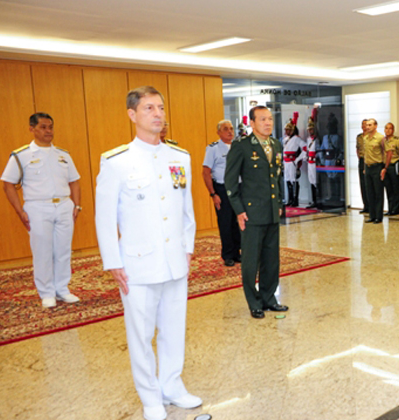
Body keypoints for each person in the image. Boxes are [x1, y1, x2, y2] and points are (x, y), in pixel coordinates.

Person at [95, 86, 201, 420]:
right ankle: (150, 397)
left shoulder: (178, 157)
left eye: (160, 108)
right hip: (137, 264)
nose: (157, 114)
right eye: (148, 108)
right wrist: (113, 261)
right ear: (132, 115)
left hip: (174, 261)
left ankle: (172, 384)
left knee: (173, 328)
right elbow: (104, 216)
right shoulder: (116, 161)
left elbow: (186, 210)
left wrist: (188, 248)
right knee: (140, 334)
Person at [1, 113, 82, 308]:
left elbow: (75, 181)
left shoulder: (63, 155)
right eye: (44, 127)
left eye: (51, 127)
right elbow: (8, 184)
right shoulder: (21, 155)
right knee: (42, 251)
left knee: (63, 250)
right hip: (38, 207)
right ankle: (46, 292)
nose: (48, 131)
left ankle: (62, 289)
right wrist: (20, 211)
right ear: (32, 129)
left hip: (63, 205)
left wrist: (77, 205)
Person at [224, 105, 288, 319]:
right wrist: (239, 211)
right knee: (251, 261)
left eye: (270, 119)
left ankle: (269, 299)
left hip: (271, 212)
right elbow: (230, 182)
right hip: (251, 213)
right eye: (262, 119)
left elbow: (277, 177)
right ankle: (254, 302)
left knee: (271, 259)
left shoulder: (276, 144)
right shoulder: (241, 146)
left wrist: (279, 203)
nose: (268, 123)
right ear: (252, 123)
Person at [203, 119, 240, 266]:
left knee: (238, 222)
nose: (230, 131)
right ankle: (228, 255)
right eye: (225, 129)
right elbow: (206, 172)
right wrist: (213, 194)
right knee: (225, 223)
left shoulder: (238, 146)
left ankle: (237, 252)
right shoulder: (213, 148)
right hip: (222, 189)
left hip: (239, 188)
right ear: (218, 132)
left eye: (231, 128)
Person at [382, 122, 399, 216]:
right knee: (388, 189)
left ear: (393, 130)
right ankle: (390, 208)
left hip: (395, 165)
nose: (388, 130)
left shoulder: (397, 140)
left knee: (396, 188)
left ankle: (395, 209)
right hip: (386, 167)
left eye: (390, 128)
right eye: (386, 128)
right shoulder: (383, 141)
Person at [363, 119, 385, 224]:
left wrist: (384, 168)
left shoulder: (381, 138)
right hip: (368, 167)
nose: (368, 127)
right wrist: (364, 167)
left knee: (378, 193)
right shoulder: (365, 138)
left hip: (377, 167)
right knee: (369, 192)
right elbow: (365, 154)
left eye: (370, 125)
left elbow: (385, 152)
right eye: (367, 125)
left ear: (376, 126)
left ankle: (378, 216)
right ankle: (372, 215)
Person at [282, 119, 305, 207]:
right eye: (286, 130)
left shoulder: (296, 139)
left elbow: (305, 148)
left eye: (288, 130)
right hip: (286, 161)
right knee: (287, 180)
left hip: (292, 161)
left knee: (293, 180)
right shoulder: (285, 139)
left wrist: (298, 159)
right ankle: (290, 199)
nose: (286, 131)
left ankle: (295, 200)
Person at [306, 117, 320, 208]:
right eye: (309, 129)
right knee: (311, 180)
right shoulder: (308, 139)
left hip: (315, 162)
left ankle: (318, 200)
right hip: (309, 162)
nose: (310, 131)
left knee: (316, 181)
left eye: (312, 129)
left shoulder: (317, 139)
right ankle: (313, 200)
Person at [357, 119, 369, 213]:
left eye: (366, 124)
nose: (364, 126)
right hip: (362, 160)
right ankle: (365, 205)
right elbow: (357, 149)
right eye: (363, 124)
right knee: (362, 184)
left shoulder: (371, 137)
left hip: (370, 160)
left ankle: (371, 206)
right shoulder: (359, 137)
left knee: (368, 184)